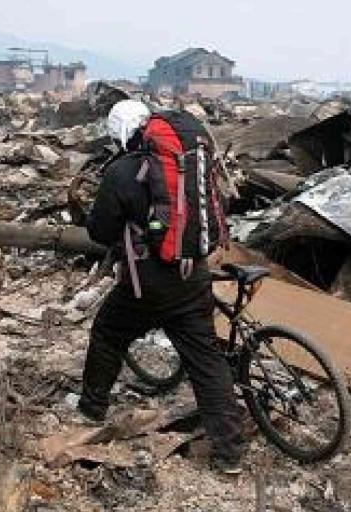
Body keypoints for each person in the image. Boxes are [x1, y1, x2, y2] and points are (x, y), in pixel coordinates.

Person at [78, 99, 245, 474]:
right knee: (206, 360)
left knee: (108, 331)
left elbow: (100, 231)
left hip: (147, 283)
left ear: (120, 134)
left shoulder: (122, 171)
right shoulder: (188, 165)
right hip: (193, 274)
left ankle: (91, 408)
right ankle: (231, 452)